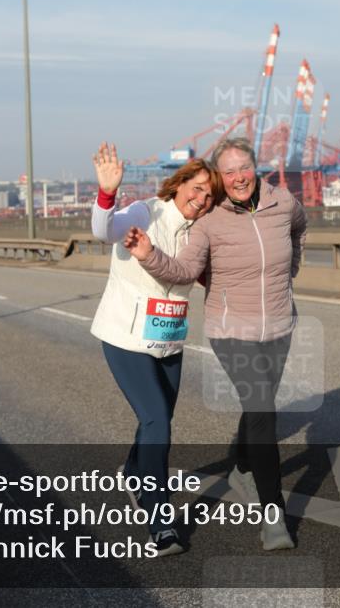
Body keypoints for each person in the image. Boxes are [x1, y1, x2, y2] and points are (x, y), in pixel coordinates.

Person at [124, 137, 307, 551]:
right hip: (231, 330)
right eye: (229, 171)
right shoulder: (211, 221)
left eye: (244, 167)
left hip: (279, 324)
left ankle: (242, 466)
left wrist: (290, 268)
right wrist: (148, 253)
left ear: (256, 168)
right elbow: (186, 269)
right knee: (262, 409)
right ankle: (273, 517)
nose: (238, 176)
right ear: (221, 179)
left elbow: (300, 229)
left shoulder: (284, 203)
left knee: (257, 408)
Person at [89, 142, 221, 557]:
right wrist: (107, 194)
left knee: (155, 421)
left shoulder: (201, 234)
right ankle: (159, 523)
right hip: (126, 337)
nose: (200, 199)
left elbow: (210, 278)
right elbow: (104, 230)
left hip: (168, 341)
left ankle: (133, 471)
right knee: (157, 422)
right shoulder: (147, 211)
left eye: (208, 196)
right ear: (178, 183)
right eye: (196, 188)